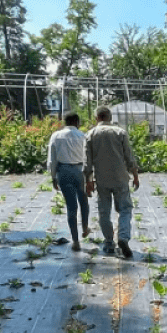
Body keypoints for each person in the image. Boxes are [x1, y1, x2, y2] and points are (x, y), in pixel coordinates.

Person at [84, 106, 140, 257]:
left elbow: (87, 163)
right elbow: (129, 157)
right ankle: (123, 237)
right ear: (110, 117)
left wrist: (88, 182)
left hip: (102, 179)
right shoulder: (120, 132)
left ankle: (109, 243)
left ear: (97, 118)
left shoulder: (90, 134)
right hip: (120, 178)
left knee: (104, 212)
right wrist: (135, 175)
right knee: (125, 209)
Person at [47, 112, 90, 251]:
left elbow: (52, 159)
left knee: (71, 207)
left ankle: (75, 240)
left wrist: (53, 177)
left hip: (63, 171)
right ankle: (85, 227)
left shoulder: (56, 136)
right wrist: (90, 178)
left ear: (64, 122)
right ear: (77, 122)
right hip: (80, 170)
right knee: (83, 201)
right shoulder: (83, 136)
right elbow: (88, 158)